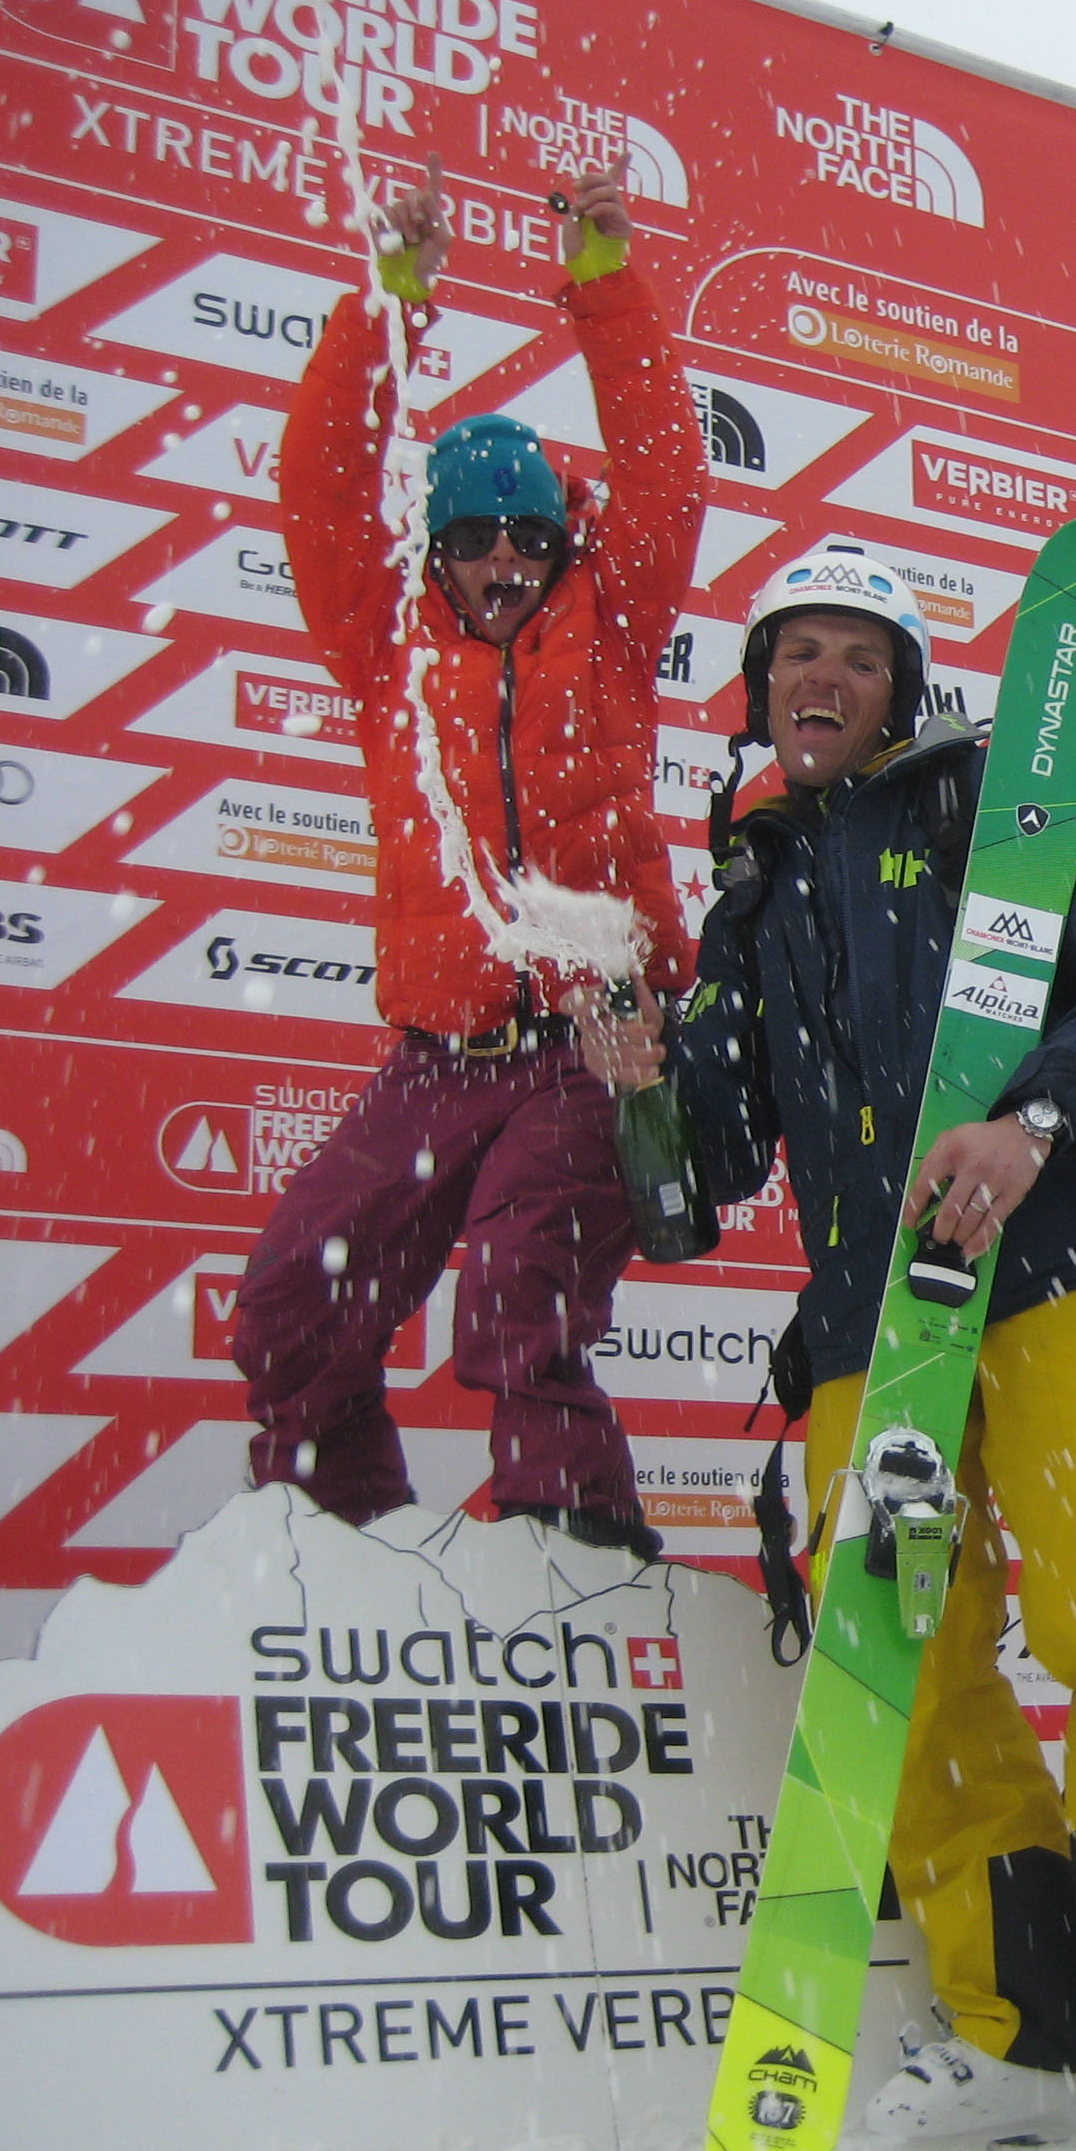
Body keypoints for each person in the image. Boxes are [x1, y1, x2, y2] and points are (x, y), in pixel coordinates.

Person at [578, 541, 1076, 2151]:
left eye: (855, 656)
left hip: (1061, 1271)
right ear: (759, 692)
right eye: (793, 655)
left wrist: (1033, 1117)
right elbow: (712, 1174)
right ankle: (1025, 2027)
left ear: (908, 685)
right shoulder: (751, 896)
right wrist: (645, 1087)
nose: (820, 680)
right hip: (873, 1324)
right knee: (907, 1680)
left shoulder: (1006, 809)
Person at [238, 162, 698, 1555]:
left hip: (589, 1037)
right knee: (292, 1298)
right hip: (439, 1052)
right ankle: (354, 1553)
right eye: (471, 539)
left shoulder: (609, 627)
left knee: (516, 1289)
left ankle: (578, 1560)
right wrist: (391, 303)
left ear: (561, 542)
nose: (504, 561)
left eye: (528, 535)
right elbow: (319, 487)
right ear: (434, 552)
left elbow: (664, 457)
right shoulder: (388, 652)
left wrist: (603, 273)